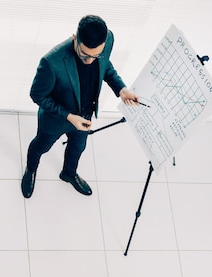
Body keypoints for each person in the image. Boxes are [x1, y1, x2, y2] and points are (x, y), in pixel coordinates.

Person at [21, 14, 140, 198]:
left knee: (78, 148)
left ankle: (68, 173)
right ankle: (31, 170)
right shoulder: (51, 62)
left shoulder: (107, 40)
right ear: (75, 38)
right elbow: (37, 94)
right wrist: (69, 116)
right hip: (57, 119)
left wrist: (121, 89)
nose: (90, 60)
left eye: (95, 55)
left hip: (85, 116)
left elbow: (105, 65)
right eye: (84, 55)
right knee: (40, 147)